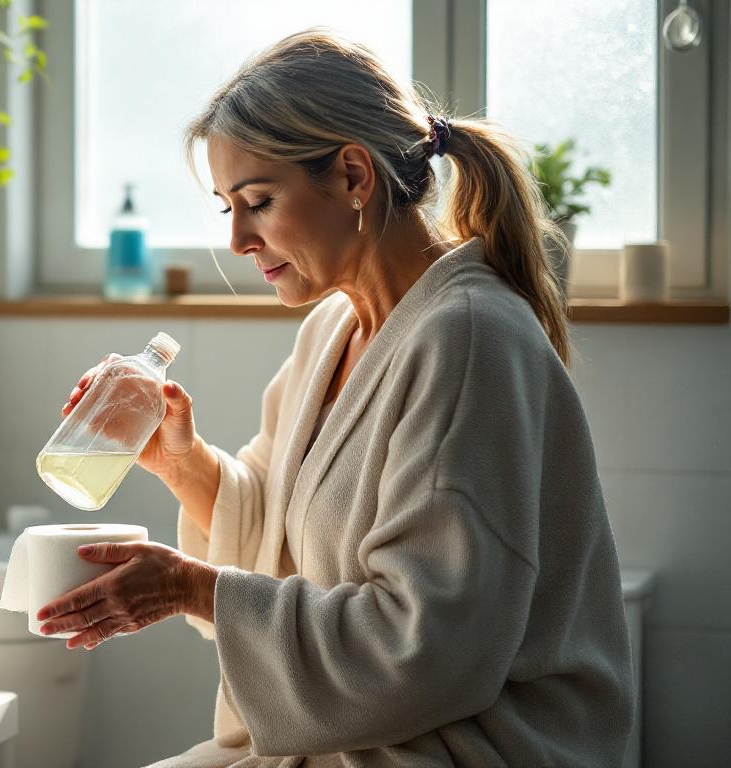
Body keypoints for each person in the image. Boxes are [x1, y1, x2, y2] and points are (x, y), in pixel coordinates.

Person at [36, 30, 633, 767]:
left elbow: (425, 646)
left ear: (354, 176)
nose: (238, 240)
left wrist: (191, 589)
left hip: (459, 749)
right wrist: (180, 464)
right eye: (227, 206)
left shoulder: (468, 340)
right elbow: (279, 525)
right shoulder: (334, 327)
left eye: (257, 201)